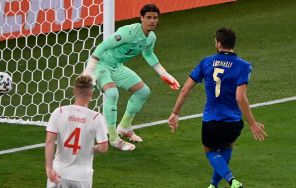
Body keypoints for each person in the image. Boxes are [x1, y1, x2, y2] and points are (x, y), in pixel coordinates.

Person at [168, 28, 268, 188]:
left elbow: (186, 89)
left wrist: (175, 113)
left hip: (211, 120)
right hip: (233, 121)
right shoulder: (244, 66)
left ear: (219, 43)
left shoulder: (206, 62)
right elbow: (240, 97)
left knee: (210, 150)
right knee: (227, 145)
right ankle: (213, 185)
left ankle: (231, 180)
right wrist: (252, 124)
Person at [83, 4, 180, 151]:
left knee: (143, 91)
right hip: (101, 65)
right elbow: (102, 46)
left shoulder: (150, 37)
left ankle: (124, 127)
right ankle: (114, 138)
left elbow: (148, 54)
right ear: (141, 18)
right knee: (112, 93)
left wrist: (163, 73)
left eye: (155, 18)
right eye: (148, 18)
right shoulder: (128, 32)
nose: (152, 21)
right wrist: (89, 70)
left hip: (117, 66)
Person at [45, 75, 108, 188]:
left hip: (59, 172)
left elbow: (49, 142)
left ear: (74, 91)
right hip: (82, 176)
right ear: (91, 94)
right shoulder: (97, 117)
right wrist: (93, 147)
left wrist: (49, 168)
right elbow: (104, 148)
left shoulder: (58, 112)